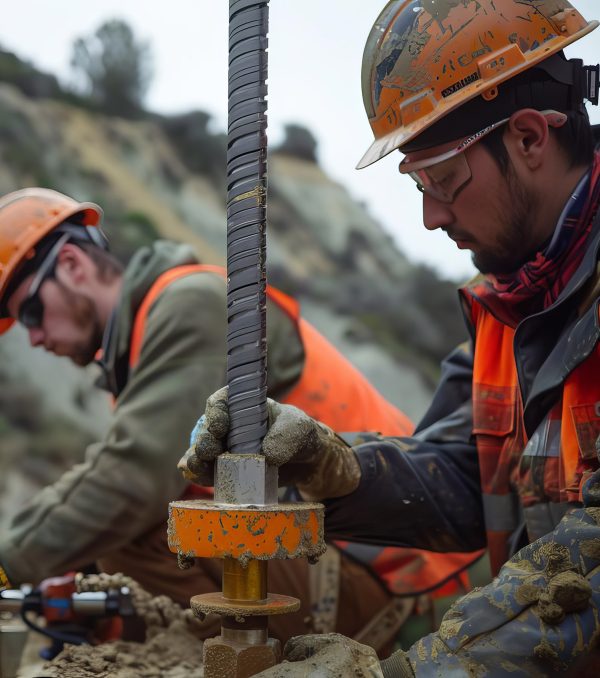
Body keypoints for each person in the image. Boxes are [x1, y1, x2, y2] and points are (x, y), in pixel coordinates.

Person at [181, 0, 600, 673]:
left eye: (442, 179)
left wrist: (411, 672)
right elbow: (468, 482)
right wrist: (332, 466)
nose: (432, 217)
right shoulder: (510, 311)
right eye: (417, 184)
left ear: (527, 138)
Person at [0, 187, 477, 646]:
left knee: (125, 527)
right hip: (326, 553)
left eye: (31, 314)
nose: (35, 338)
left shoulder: (191, 305)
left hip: (381, 568)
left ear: (71, 264)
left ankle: (238, 659)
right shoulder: (144, 348)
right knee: (92, 560)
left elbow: (131, 482)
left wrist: (7, 569)